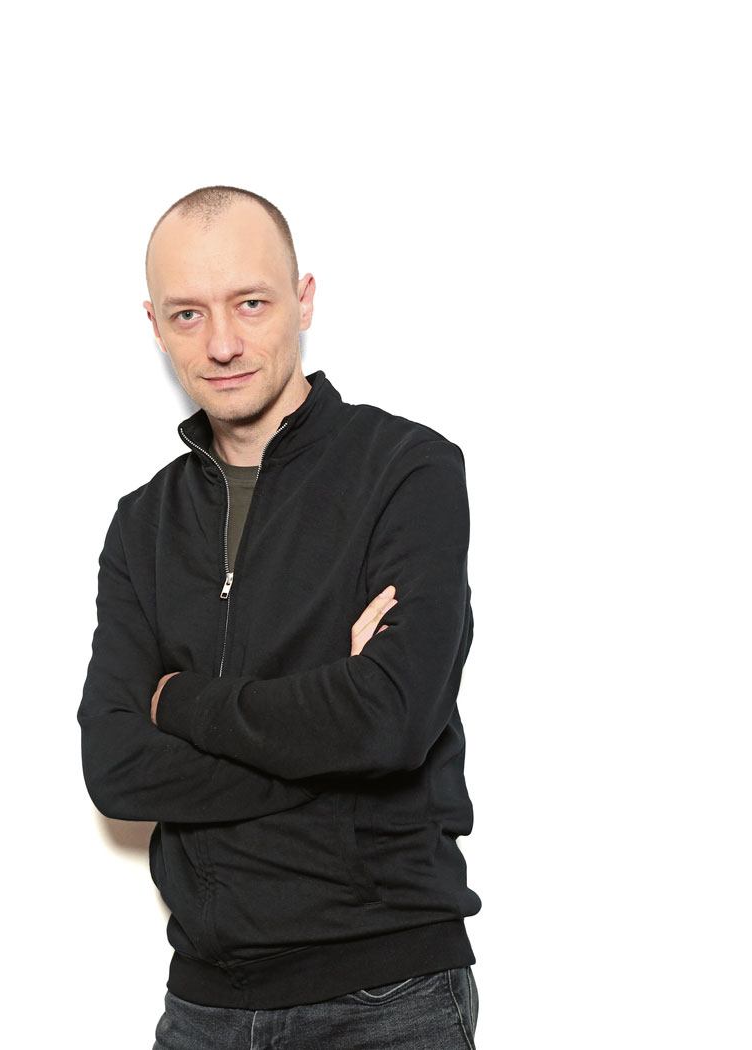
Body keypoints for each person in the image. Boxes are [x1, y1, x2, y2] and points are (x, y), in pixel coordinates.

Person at [78, 186, 481, 1048]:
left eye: (250, 303)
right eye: (187, 314)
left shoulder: (405, 471)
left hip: (387, 999)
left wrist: (179, 702)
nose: (221, 343)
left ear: (303, 299)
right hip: (203, 1007)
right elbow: (116, 769)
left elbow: (389, 721)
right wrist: (337, 742)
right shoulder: (143, 524)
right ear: (154, 326)